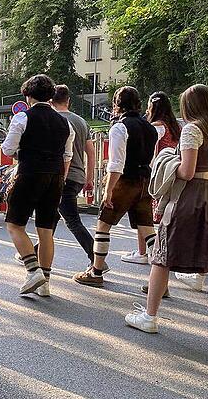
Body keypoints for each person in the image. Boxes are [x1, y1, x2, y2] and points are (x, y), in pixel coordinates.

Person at [125, 84, 208, 345]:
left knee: (162, 254)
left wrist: (168, 160)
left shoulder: (192, 129)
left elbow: (187, 171)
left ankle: (150, 316)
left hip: (191, 196)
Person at [74, 86, 158, 287]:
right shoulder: (150, 128)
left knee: (103, 225)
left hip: (125, 181)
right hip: (145, 180)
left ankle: (96, 271)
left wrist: (108, 190)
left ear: (117, 105)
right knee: (147, 229)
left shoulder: (120, 127)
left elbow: (116, 164)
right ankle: (160, 280)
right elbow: (151, 159)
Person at [2, 74, 74, 296]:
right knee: (45, 230)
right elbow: (67, 154)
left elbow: (7, 149)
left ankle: (33, 270)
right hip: (55, 177)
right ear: (51, 96)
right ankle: (45, 283)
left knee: (15, 225)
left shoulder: (23, 118)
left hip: (30, 173)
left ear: (27, 95)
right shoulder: (65, 122)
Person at [123, 91, 181, 265]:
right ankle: (166, 250)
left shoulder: (156, 127)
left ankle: (144, 252)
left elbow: (151, 153)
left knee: (143, 214)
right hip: (173, 171)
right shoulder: (175, 126)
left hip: (157, 174)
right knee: (168, 215)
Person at [46, 85, 96, 265]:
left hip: (60, 177)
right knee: (52, 215)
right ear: (68, 100)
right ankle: (36, 251)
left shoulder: (52, 120)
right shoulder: (81, 122)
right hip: (78, 176)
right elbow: (91, 152)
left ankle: (96, 258)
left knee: (72, 220)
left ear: (50, 101)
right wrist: (89, 178)